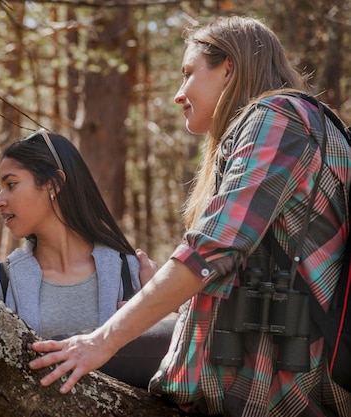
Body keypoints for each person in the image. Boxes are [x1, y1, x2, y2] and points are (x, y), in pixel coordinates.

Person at [29, 15, 351, 416]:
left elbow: (211, 250)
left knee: (51, 359)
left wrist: (101, 341)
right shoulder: (298, 124)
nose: (179, 94)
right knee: (60, 349)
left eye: (188, 73)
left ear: (229, 68)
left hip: (279, 379)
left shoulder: (277, 117)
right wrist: (167, 295)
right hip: (258, 358)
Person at [0, 129, 173, 387]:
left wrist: (157, 311)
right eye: (0, 188)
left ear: (54, 184)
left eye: (11, 184)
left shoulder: (133, 273)